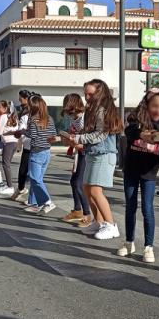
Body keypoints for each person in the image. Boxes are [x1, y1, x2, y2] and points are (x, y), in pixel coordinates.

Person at [118, 89, 159, 263]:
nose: (158, 110)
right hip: (131, 170)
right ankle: (129, 242)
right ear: (148, 105)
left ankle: (148, 246)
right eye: (155, 106)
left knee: (147, 209)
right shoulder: (136, 120)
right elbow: (129, 133)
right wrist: (141, 134)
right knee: (130, 207)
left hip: (149, 173)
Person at [63, 79, 123, 240]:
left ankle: (110, 225)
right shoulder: (94, 109)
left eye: (90, 94)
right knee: (87, 189)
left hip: (103, 154)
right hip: (94, 153)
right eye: (86, 94)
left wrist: (79, 138)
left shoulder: (103, 110)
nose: (87, 97)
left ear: (100, 93)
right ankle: (99, 221)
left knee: (95, 191)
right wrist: (77, 138)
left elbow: (100, 134)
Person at [21, 95, 58, 214]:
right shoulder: (49, 118)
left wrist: (22, 131)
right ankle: (34, 203)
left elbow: (33, 135)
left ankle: (47, 201)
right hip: (46, 151)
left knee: (35, 178)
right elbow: (53, 134)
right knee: (37, 179)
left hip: (36, 151)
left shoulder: (33, 119)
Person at [59, 93, 91, 226]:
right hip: (80, 151)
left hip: (86, 152)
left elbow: (88, 139)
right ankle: (77, 210)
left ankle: (87, 214)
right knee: (73, 181)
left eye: (69, 109)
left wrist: (73, 142)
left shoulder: (85, 118)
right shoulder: (74, 118)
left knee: (78, 183)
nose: (69, 114)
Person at [13, 90, 32, 202]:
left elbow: (21, 131)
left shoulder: (28, 114)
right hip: (27, 145)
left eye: (21, 98)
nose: (19, 100)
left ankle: (33, 199)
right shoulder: (23, 112)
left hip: (34, 146)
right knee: (24, 171)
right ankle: (21, 188)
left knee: (32, 174)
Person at [0, 102, 19, 197]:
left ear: (6, 108)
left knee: (5, 164)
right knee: (7, 164)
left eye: (0, 108)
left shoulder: (3, 117)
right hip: (14, 142)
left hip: (8, 143)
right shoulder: (15, 117)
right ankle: (8, 185)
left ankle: (10, 186)